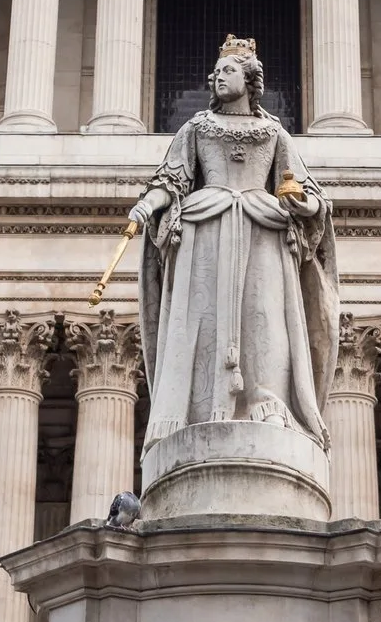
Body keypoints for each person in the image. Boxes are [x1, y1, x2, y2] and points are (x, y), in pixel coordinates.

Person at [129, 36, 338, 447]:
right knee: (201, 317)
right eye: (216, 72)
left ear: (250, 78)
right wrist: (146, 205)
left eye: (227, 71)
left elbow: (306, 190)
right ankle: (197, 409)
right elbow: (171, 181)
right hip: (205, 227)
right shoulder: (195, 129)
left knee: (265, 317)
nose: (217, 77)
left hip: (264, 228)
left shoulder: (274, 132)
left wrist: (307, 207)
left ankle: (270, 401)